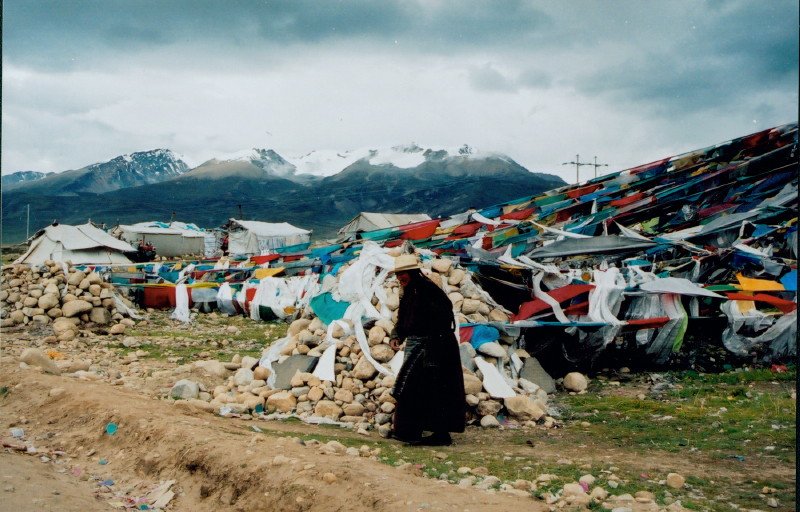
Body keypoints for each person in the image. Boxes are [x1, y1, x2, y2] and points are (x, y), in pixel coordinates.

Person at [389, 253, 465, 446]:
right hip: (420, 345)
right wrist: (396, 334)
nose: (400, 278)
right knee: (415, 387)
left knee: (433, 388)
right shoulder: (409, 293)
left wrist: (432, 343)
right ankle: (412, 431)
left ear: (412, 272)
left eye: (403, 274)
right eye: (397, 275)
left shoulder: (428, 291)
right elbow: (404, 318)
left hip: (436, 346)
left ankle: (437, 434)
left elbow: (442, 317)